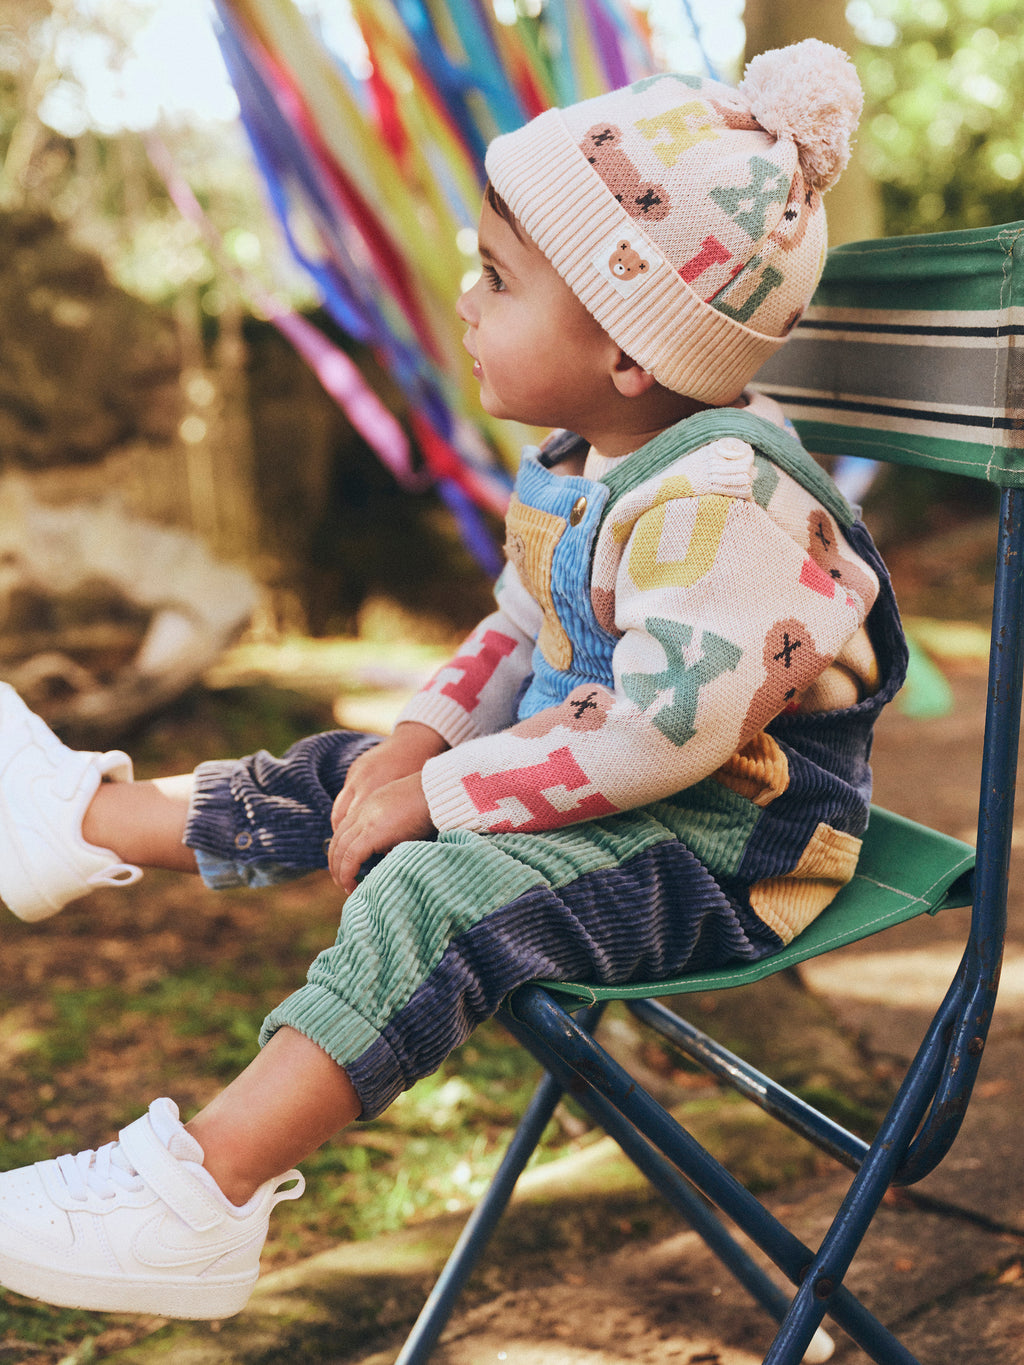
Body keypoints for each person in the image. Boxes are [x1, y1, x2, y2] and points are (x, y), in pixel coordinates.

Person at [0, 39, 906, 1322]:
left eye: (494, 279)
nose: (463, 302)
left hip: (724, 848)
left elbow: (664, 729)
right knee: (355, 773)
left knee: (436, 879)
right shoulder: (589, 456)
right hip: (617, 791)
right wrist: (421, 743)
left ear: (630, 348)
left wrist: (448, 797)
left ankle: (198, 1198)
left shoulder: (730, 502)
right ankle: (75, 827)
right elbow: (518, 632)